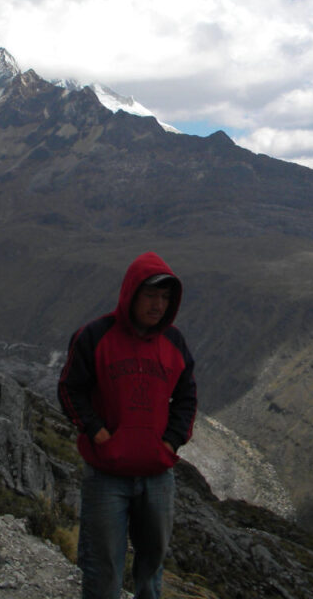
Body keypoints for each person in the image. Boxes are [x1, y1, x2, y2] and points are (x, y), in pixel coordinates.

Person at [58, 252, 197, 599]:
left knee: (152, 568)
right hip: (107, 475)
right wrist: (98, 433)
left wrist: (171, 441)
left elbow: (187, 396)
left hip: (157, 476)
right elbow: (70, 389)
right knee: (103, 568)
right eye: (151, 295)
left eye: (165, 298)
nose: (158, 305)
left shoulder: (174, 343)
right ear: (131, 293)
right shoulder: (94, 336)